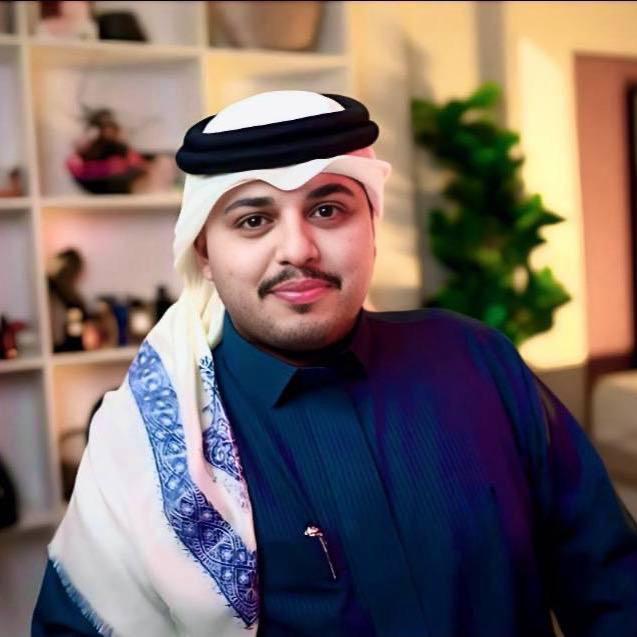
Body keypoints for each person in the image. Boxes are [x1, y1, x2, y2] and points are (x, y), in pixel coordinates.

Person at [32, 90, 637, 637]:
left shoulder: (478, 363)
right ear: (205, 254)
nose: (297, 249)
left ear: (371, 226)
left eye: (327, 210)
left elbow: (613, 586)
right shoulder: (148, 444)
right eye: (253, 220)